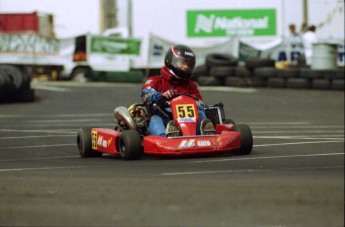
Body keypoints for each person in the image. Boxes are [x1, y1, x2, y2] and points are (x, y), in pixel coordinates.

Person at [141, 44, 215, 137]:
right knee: (155, 119)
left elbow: (200, 104)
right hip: (165, 118)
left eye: (189, 64)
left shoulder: (191, 86)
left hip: (189, 122)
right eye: (183, 63)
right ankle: (166, 136)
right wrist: (162, 96)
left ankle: (206, 134)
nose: (186, 67)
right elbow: (146, 95)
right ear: (170, 61)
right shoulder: (155, 81)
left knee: (200, 113)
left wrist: (193, 103)